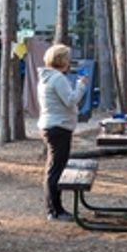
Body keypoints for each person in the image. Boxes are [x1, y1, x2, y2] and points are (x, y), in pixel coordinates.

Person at [37, 44, 88, 221]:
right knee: (55, 170)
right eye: (67, 58)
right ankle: (54, 210)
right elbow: (70, 100)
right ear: (62, 60)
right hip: (58, 128)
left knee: (54, 168)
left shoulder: (48, 77)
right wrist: (81, 86)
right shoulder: (57, 78)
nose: (69, 62)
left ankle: (55, 208)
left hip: (53, 126)